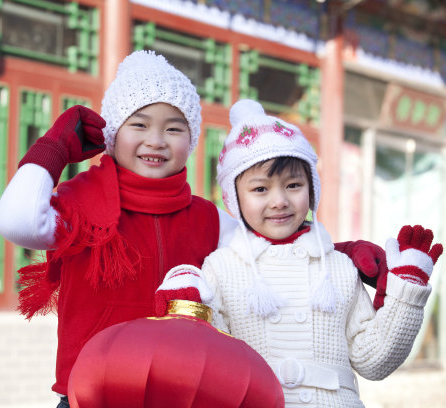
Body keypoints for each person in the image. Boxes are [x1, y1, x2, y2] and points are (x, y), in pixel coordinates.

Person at [0, 51, 388, 406]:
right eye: (139, 124)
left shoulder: (210, 218)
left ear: (191, 139)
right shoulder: (78, 205)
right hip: (93, 392)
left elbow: (273, 251)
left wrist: (340, 252)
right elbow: (17, 221)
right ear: (113, 135)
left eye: (173, 128)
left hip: (179, 394)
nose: (156, 140)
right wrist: (54, 147)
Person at [157, 99, 443, 407]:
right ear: (234, 198)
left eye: (293, 185)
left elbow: (374, 362)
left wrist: (406, 293)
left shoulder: (338, 266)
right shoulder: (221, 268)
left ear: (312, 189)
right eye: (260, 190)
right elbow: (213, 361)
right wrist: (186, 307)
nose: (279, 201)